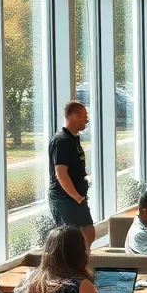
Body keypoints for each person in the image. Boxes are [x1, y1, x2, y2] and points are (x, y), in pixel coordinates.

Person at [48, 101, 95, 249]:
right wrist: (76, 197)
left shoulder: (73, 139)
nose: (86, 120)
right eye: (83, 117)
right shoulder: (61, 141)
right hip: (65, 197)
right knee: (69, 238)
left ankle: (82, 263)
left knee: (88, 232)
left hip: (77, 197)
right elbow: (61, 173)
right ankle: (69, 266)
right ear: (73, 117)